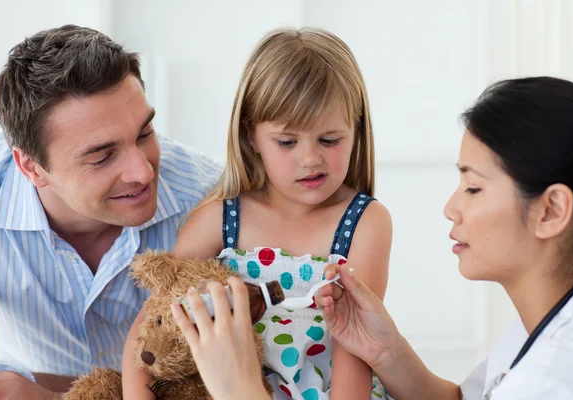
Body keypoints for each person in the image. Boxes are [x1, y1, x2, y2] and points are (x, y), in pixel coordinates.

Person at [173, 76, 573, 400]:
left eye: (474, 187)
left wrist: (238, 387)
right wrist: (386, 351)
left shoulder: (558, 380)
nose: (451, 208)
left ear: (550, 211)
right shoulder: (544, 332)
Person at [123, 27, 393, 400]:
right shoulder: (220, 218)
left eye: (329, 140)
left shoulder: (365, 222)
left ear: (356, 129)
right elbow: (153, 325)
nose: (310, 158)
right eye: (287, 142)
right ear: (251, 137)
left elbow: (356, 349)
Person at [0, 25, 221, 399]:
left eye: (144, 134)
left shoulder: (211, 198)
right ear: (31, 167)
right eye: (102, 156)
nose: (143, 172)